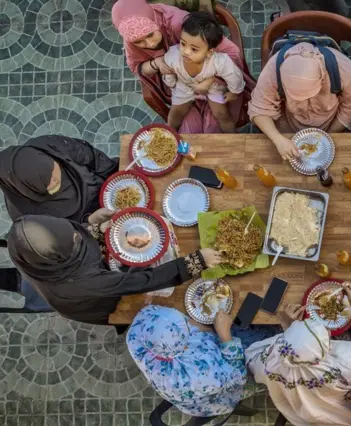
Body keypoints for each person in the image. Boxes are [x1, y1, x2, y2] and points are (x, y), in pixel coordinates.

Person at [5, 212, 222, 325]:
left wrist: (95, 229)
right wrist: (194, 262)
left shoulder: (24, 242)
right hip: (89, 301)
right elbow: (137, 282)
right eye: (74, 240)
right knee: (124, 306)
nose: (76, 234)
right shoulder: (81, 283)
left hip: (65, 281)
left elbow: (72, 233)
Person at [245, 282, 351, 426]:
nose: (329, 332)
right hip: (344, 416)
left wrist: (289, 326)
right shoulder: (344, 367)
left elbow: (257, 364)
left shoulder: (269, 362)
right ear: (324, 351)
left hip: (311, 416)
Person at [112, 0, 254, 133]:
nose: (149, 45)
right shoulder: (172, 56)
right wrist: (157, 64)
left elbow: (229, 55)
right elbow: (138, 67)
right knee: (183, 124)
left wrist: (212, 80)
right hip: (182, 84)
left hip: (214, 81)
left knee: (219, 119)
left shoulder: (180, 24)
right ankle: (169, 136)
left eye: (150, 35)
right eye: (139, 42)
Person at [248, 42, 351, 161]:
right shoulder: (272, 70)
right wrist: (277, 139)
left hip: (334, 123)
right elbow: (259, 109)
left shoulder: (348, 73)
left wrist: (325, 137)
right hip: (289, 123)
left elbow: (349, 112)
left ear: (322, 77)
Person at [127, 306, 249, 418]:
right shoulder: (197, 376)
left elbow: (172, 320)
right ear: (184, 348)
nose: (189, 323)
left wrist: (201, 327)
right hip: (215, 395)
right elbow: (239, 375)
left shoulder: (142, 324)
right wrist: (224, 334)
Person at [0, 135, 118, 223]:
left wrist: (115, 176)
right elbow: (66, 237)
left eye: (52, 168)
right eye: (47, 182)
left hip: (112, 187)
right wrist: (91, 221)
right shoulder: (28, 217)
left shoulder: (47, 146)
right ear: (29, 188)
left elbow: (90, 156)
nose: (55, 178)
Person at [163, 12, 245, 133]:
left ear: (209, 52)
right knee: (174, 115)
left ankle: (233, 138)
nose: (186, 51)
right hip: (185, 85)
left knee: (222, 115)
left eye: (194, 49)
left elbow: (234, 76)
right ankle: (169, 137)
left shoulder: (219, 61)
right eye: (183, 43)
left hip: (212, 87)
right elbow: (168, 72)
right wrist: (171, 82)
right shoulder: (173, 56)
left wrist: (234, 92)